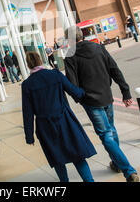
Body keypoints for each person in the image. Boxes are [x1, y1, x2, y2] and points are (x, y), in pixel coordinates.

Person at [64, 26, 139, 182]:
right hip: (107, 96)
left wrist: (81, 98)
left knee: (105, 135)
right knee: (111, 130)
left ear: (70, 40)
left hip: (91, 102)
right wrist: (125, 91)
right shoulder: (99, 48)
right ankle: (117, 164)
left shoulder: (70, 57)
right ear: (81, 35)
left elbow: (72, 84)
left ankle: (128, 171)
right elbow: (114, 69)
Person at [22, 51, 96, 182]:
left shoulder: (27, 85)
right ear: (40, 61)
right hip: (64, 120)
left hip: (45, 126)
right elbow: (74, 91)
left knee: (57, 158)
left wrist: (29, 136)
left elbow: (27, 113)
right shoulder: (54, 74)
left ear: (28, 65)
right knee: (77, 155)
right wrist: (84, 91)